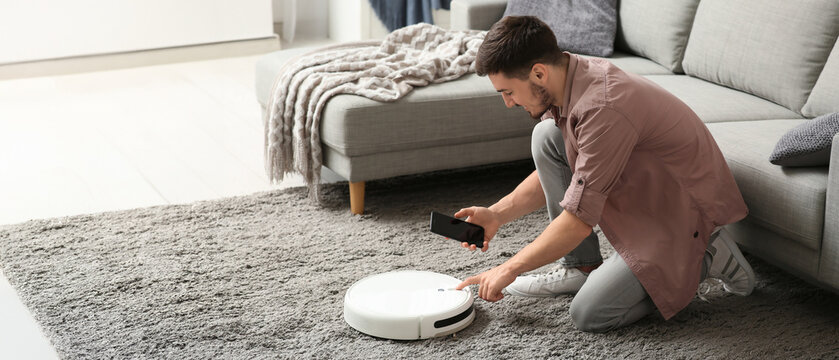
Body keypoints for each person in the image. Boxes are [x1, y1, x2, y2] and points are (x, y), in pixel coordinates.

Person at [453, 16, 755, 332]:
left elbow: (578, 221)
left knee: (590, 313)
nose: (508, 103)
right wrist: (497, 214)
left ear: (539, 72)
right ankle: (581, 267)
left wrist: (509, 268)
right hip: (648, 189)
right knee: (547, 136)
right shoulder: (570, 77)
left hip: (680, 212)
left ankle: (706, 254)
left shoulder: (603, 107)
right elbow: (573, 165)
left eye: (508, 92)